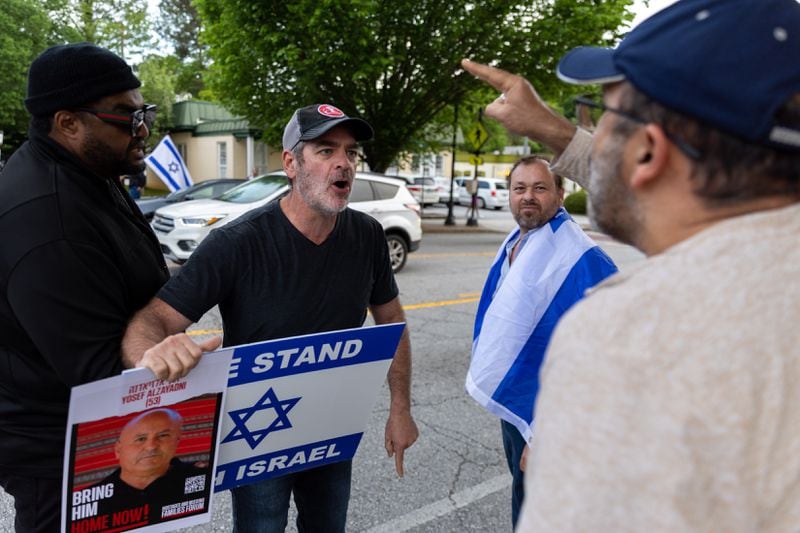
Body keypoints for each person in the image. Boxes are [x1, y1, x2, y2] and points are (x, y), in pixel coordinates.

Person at [462, 0, 800, 530]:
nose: (596, 135)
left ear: (647, 153)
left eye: (606, 114)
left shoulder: (627, 340)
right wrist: (552, 129)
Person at [121, 103, 419, 532]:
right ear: (290, 163)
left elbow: (391, 323)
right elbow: (153, 320)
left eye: (350, 153)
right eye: (325, 150)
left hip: (332, 424)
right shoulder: (236, 243)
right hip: (260, 432)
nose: (344, 164)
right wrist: (151, 358)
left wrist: (401, 408)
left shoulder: (368, 235)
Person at [0, 43, 199, 532]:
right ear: (68, 123)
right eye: (126, 117)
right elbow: (100, 374)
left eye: (144, 112)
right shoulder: (49, 220)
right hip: (56, 453)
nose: (143, 129)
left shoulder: (89, 171)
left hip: (87, 432)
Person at [465, 156, 616, 528]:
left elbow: (599, 359)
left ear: (561, 194)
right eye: (520, 188)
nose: (527, 197)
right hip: (521, 397)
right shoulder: (520, 239)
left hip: (551, 412)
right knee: (524, 493)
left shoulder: (579, 256)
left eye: (539, 188)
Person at [89, 409, 209, 524]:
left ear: (177, 441)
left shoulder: (201, 476)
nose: (151, 446)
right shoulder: (90, 500)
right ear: (118, 450)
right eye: (141, 439)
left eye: (163, 436)